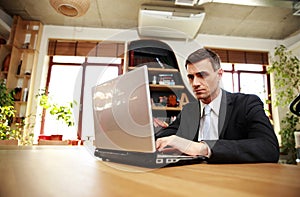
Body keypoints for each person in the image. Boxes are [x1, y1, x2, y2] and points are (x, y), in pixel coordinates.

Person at [155, 48, 280, 163]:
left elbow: (269, 148)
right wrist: (151, 131)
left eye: (202, 75)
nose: (195, 83)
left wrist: (203, 148)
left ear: (219, 74)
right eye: (191, 77)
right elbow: (167, 137)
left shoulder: (246, 104)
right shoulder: (189, 110)